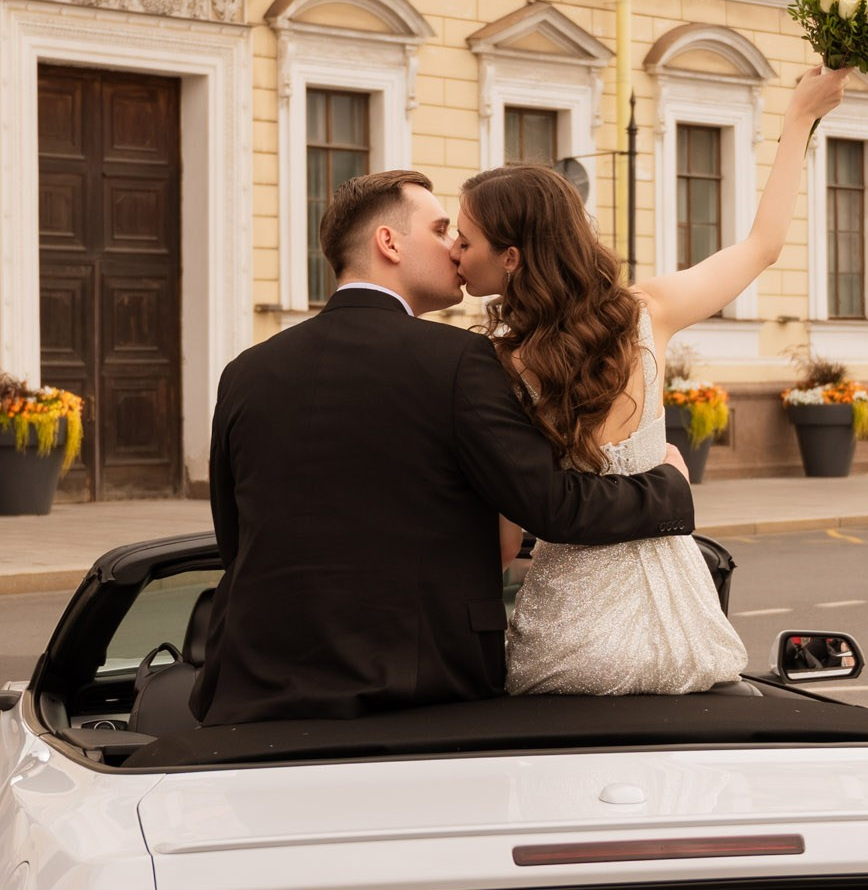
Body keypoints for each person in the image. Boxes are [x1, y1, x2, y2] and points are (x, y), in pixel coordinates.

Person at [191, 169, 696, 726]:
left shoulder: (246, 372)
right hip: (421, 697)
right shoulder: (463, 362)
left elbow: (233, 537)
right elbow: (551, 506)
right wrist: (667, 486)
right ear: (389, 243)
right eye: (440, 230)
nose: (456, 249)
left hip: (251, 696)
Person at [454, 66, 852, 695]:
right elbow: (763, 245)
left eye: (464, 238)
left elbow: (503, 547)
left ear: (511, 258)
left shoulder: (502, 367)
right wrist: (800, 116)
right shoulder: (647, 312)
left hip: (570, 639)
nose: (453, 250)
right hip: (681, 628)